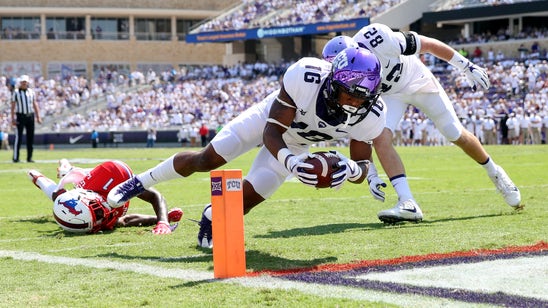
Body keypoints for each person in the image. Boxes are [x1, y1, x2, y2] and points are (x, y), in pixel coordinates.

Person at [106, 47, 386, 248]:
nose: (355, 103)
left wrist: (350, 169)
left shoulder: (372, 113)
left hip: (298, 142)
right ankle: (140, 181)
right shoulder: (306, 76)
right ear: (332, 82)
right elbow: (272, 131)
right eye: (350, 93)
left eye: (363, 98)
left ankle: (211, 215)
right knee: (208, 159)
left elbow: (363, 165)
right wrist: (291, 163)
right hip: (268, 121)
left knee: (250, 198)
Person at [322, 24, 520, 224]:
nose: (347, 79)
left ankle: (495, 172)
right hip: (391, 95)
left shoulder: (378, 38)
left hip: (417, 79)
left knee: (453, 131)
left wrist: (465, 65)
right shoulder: (345, 86)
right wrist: (371, 175)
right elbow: (359, 133)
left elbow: (428, 44)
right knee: (380, 137)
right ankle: (408, 202)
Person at [28, 159, 183, 234]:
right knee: (60, 199)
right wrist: (162, 219)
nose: (104, 214)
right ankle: (65, 170)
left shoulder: (115, 177)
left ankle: (64, 168)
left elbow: (155, 195)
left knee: (57, 193)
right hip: (90, 189)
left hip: (98, 179)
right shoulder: (98, 216)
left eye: (99, 213)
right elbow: (123, 221)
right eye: (100, 217)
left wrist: (162, 221)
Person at [11, 75, 41, 163]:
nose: (24, 83)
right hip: (20, 116)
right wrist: (13, 118)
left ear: (28, 82)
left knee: (30, 137)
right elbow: (13, 106)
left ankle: (29, 157)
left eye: (25, 82)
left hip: (30, 116)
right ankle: (16, 158)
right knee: (18, 137)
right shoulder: (16, 92)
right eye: (23, 82)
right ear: (20, 83)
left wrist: (38, 116)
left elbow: (35, 104)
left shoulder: (31, 92)